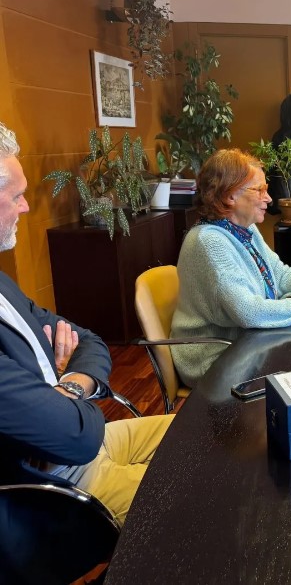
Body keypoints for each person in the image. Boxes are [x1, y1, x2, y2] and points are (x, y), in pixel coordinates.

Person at [0, 121, 173, 524]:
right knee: (209, 494)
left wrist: (70, 385)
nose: (27, 207)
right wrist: (78, 398)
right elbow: (76, 437)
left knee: (210, 435)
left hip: (92, 439)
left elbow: (89, 340)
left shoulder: (3, 285)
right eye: (18, 196)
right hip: (58, 491)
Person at [171, 149, 291, 387]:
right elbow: (248, 311)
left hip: (248, 343)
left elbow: (279, 276)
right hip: (215, 360)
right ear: (230, 195)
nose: (269, 199)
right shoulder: (209, 242)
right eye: (259, 190)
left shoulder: (244, 228)